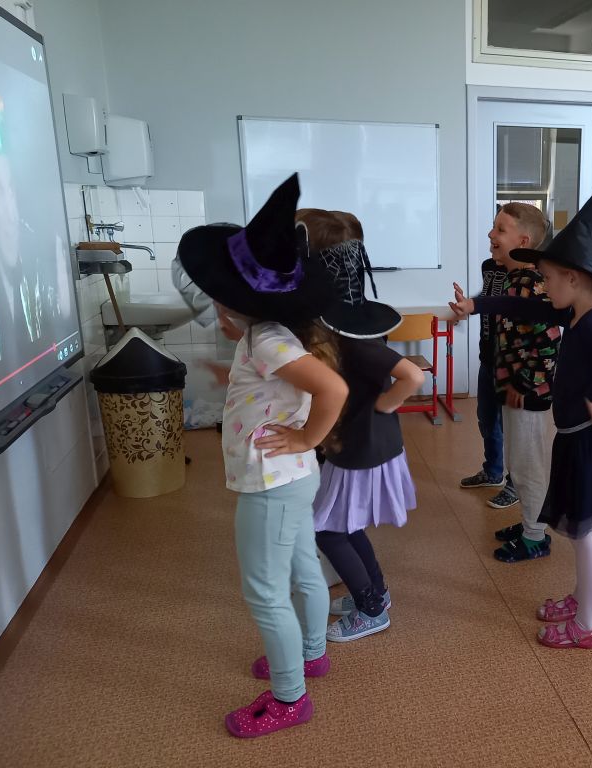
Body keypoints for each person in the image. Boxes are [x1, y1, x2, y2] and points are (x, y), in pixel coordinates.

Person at [450, 163, 592, 648]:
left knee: (585, 535)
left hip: (588, 441)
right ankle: (584, 600)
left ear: (573, 278)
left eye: (547, 278)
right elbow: (526, 307)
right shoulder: (575, 312)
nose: (543, 285)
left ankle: (586, 626)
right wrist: (478, 305)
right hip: (578, 438)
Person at [174, 175, 348, 737]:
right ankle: (311, 654)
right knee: (301, 569)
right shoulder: (265, 338)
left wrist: (306, 438)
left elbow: (333, 390)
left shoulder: (268, 340)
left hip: (272, 482)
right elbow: (275, 381)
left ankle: (290, 698)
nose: (213, 302)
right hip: (291, 479)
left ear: (237, 302)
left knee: (265, 592)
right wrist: (233, 375)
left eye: (217, 295)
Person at [296, 208, 422, 642]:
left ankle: (371, 609)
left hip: (362, 446)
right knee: (345, 526)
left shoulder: (350, 336)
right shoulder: (342, 323)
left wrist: (383, 407)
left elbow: (412, 376)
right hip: (359, 442)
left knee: (326, 530)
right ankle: (376, 594)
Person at [483, 203, 560, 563]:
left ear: (524, 241)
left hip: (527, 394)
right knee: (519, 461)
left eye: (500, 229)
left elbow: (548, 344)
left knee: (529, 465)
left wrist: (524, 383)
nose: (491, 235)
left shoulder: (531, 285)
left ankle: (535, 537)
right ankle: (531, 521)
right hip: (514, 390)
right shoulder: (514, 280)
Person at [458, 253, 520, 511]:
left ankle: (516, 484)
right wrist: (469, 305)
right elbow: (490, 299)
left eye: (500, 233)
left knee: (512, 427)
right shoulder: (488, 266)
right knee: (487, 418)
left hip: (510, 364)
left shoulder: (525, 274)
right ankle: (493, 471)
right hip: (488, 358)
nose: (491, 235)